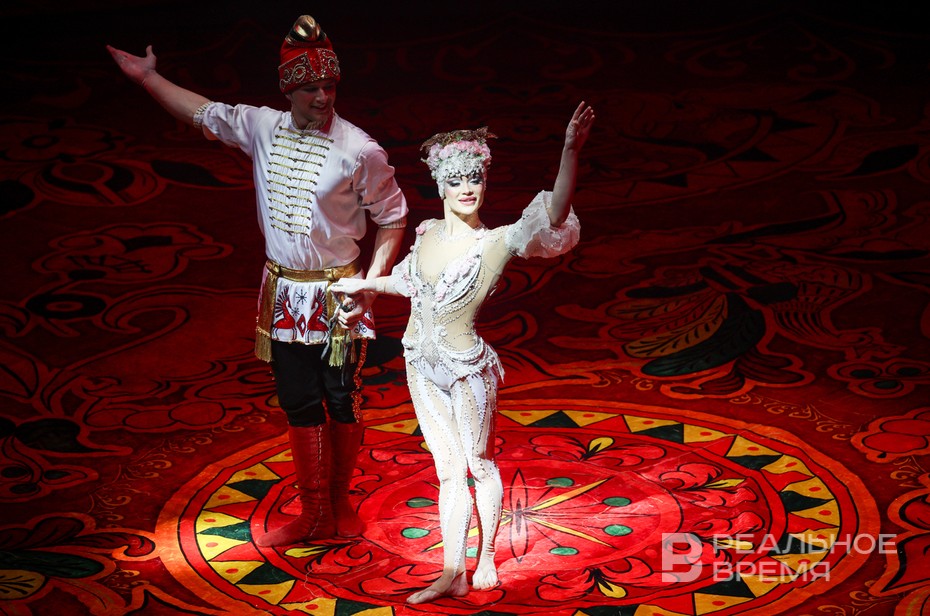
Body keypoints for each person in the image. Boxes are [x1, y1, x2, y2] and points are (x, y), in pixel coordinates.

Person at [106, 15, 408, 547]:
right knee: (298, 399)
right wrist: (148, 78)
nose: (323, 97)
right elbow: (202, 112)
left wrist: (371, 284)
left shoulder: (360, 149)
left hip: (337, 292)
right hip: (284, 291)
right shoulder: (262, 126)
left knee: (342, 398)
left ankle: (339, 504)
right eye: (311, 88)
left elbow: (393, 215)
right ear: (288, 90)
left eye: (330, 86)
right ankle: (313, 513)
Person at [331, 102, 595, 603]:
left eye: (475, 178)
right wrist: (362, 287)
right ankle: (451, 571)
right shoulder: (428, 233)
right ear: (440, 186)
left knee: (478, 463)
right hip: (419, 363)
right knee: (447, 471)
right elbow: (407, 283)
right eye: (456, 180)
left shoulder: (496, 241)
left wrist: (569, 151)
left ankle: (487, 554)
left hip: (467, 368)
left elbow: (555, 214)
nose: (467, 188)